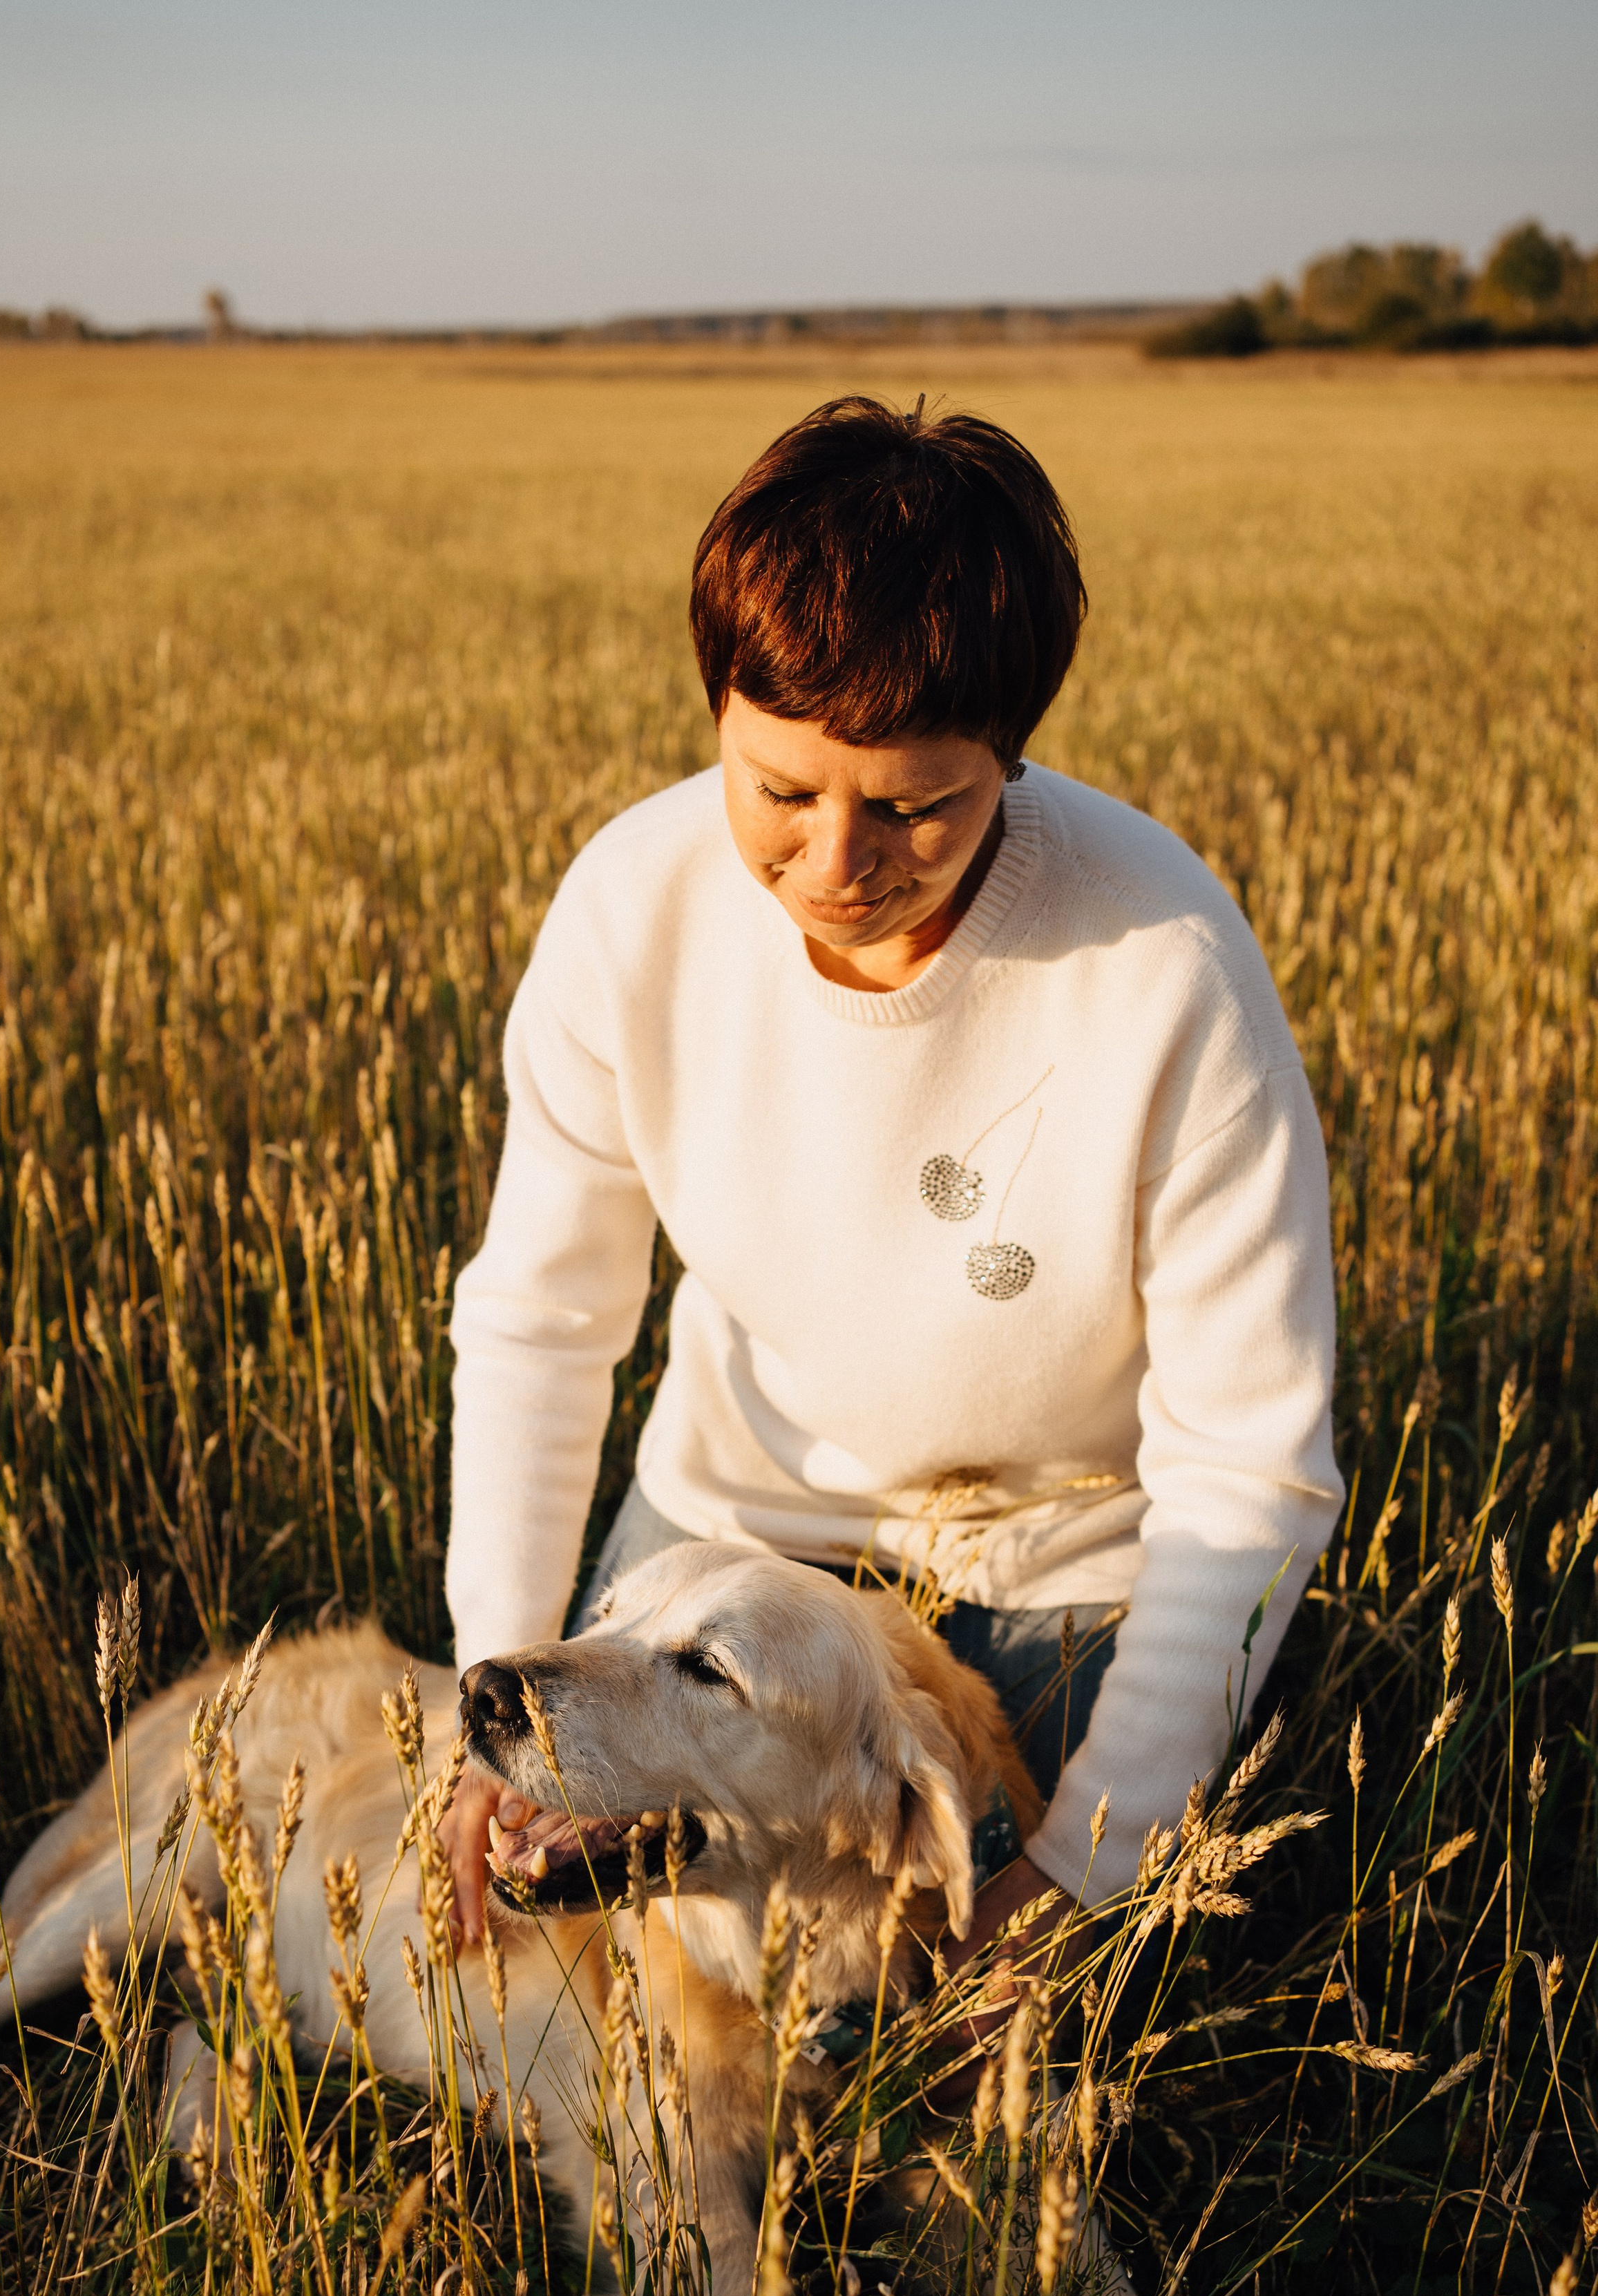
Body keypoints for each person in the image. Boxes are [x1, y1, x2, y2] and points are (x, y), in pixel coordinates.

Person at [437, 395, 1342, 2012]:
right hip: (731, 1539)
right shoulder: (630, 908)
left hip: (1063, 1570)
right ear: (716, 710)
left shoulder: (1166, 962)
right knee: (610, 2002)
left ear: (1012, 753)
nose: (837, 861)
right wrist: (491, 1698)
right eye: (779, 789)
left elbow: (1248, 1461)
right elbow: (542, 1321)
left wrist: (1084, 1872)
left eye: (916, 806)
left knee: (1009, 2014)